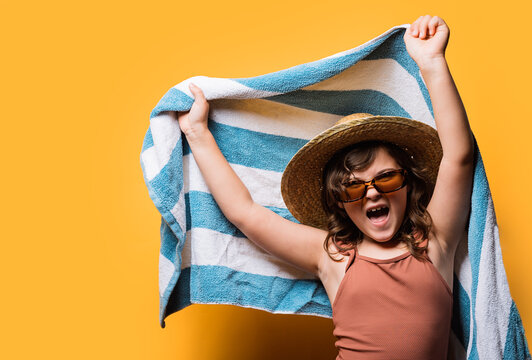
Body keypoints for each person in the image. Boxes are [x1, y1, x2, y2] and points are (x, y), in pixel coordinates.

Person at [177, 14, 474, 360]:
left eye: (386, 178)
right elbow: (247, 214)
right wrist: (197, 134)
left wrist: (432, 61)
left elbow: (459, 157)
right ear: (339, 204)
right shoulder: (333, 255)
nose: (373, 193)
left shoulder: (434, 242)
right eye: (353, 189)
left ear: (408, 183)